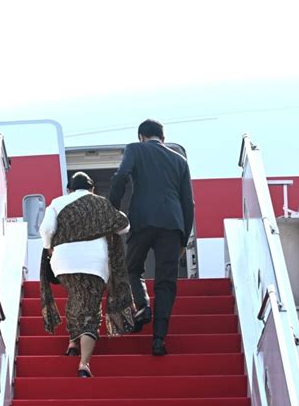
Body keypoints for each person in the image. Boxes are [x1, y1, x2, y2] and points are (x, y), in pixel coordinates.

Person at [109, 119, 195, 356]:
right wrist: (183, 239)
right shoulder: (180, 160)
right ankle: (158, 340)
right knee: (166, 282)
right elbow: (189, 203)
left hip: (143, 220)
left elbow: (121, 176)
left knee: (132, 269)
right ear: (163, 138)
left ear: (141, 136)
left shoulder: (135, 149)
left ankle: (144, 306)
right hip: (172, 225)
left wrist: (113, 208)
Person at [39, 171, 134, 377]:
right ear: (92, 189)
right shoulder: (100, 203)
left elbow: (46, 229)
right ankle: (84, 365)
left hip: (63, 263)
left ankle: (73, 342)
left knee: (76, 297)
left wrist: (48, 248)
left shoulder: (57, 202)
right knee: (90, 309)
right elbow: (124, 226)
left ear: (69, 189)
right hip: (94, 264)